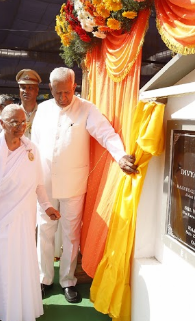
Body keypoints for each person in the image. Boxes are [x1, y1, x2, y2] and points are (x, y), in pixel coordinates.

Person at [32, 67, 138, 303]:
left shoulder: (86, 108)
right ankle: (44, 278)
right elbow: (35, 145)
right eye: (58, 93)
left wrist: (120, 155)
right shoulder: (43, 110)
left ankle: (68, 280)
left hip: (74, 184)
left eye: (67, 92)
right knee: (45, 231)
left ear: (74, 87)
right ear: (50, 89)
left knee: (71, 234)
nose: (63, 98)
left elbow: (106, 133)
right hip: (46, 182)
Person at [0, 104, 61, 321]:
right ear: (2, 123)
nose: (19, 126)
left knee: (22, 260)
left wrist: (47, 206)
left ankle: (22, 308)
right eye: (14, 122)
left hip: (25, 218)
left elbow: (38, 184)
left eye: (23, 121)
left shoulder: (31, 150)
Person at [16, 69, 41, 139]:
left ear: (37, 91)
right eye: (23, 87)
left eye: (30, 88)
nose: (26, 91)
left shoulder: (43, 113)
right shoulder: (14, 113)